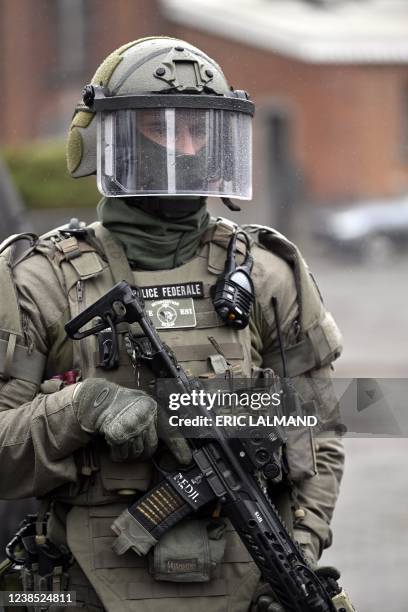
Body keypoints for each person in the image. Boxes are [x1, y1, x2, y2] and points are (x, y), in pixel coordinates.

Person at [0, 37, 344, 612]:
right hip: (85, 588)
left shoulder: (267, 274)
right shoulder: (38, 281)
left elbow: (319, 434)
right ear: (114, 141)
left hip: (251, 584)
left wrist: (297, 555)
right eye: (164, 129)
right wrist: (81, 408)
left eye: (199, 130)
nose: (186, 149)